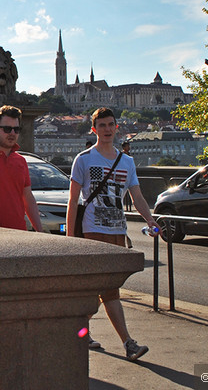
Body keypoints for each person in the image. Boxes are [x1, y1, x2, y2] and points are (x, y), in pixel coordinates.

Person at [66, 107, 158, 361]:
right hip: (93, 230)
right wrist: (70, 238)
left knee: (101, 287)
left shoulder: (126, 162)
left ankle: (79, 331)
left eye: (111, 125)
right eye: (102, 125)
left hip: (118, 230)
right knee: (110, 290)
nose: (107, 129)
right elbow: (73, 200)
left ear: (117, 127)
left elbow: (136, 196)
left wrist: (150, 220)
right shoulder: (84, 159)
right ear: (94, 129)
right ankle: (128, 343)